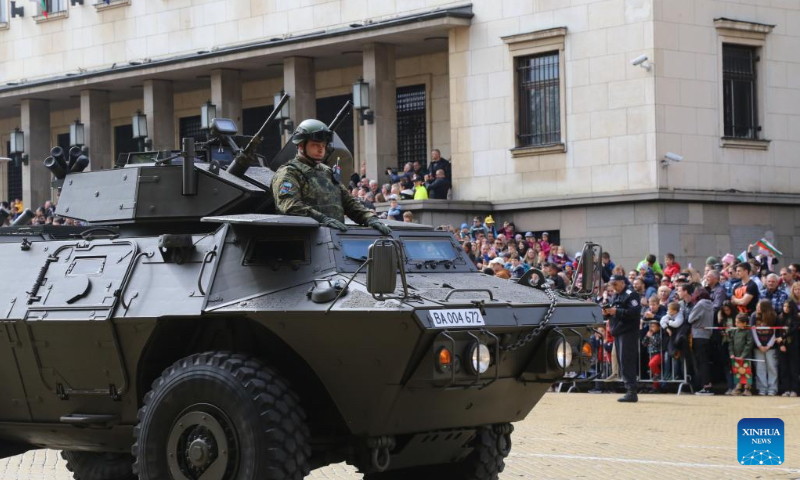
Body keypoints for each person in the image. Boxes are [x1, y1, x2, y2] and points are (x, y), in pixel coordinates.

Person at [272, 119, 392, 235]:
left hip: (334, 239)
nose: (321, 149)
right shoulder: (289, 172)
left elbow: (348, 201)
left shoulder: (327, 171)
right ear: (301, 146)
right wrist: (322, 219)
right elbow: (289, 205)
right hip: (305, 240)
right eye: (315, 145)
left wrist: (369, 218)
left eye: (323, 146)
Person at [603, 274, 642, 403]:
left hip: (628, 332)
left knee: (627, 360)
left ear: (622, 282)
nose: (613, 288)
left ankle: (631, 390)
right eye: (612, 285)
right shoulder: (616, 295)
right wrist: (608, 313)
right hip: (618, 332)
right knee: (621, 361)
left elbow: (635, 313)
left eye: (615, 285)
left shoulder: (631, 294)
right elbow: (615, 312)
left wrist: (616, 312)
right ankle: (628, 388)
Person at [684, 287, 714, 395]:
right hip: (707, 335)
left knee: (701, 363)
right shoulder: (710, 304)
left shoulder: (700, 304)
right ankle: (707, 385)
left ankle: (706, 387)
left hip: (698, 335)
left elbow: (690, 319)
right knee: (705, 362)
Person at [751, 300, 779, 396]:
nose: (757, 308)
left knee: (772, 366)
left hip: (771, 346)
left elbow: (776, 332)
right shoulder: (754, 316)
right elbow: (753, 331)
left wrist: (769, 345)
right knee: (760, 367)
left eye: (760, 306)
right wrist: (759, 345)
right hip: (758, 346)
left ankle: (773, 388)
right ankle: (762, 388)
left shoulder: (773, 316)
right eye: (757, 306)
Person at [778, 300, 800, 397]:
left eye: (788, 307)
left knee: (793, 368)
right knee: (784, 368)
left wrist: (783, 337)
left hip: (794, 346)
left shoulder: (796, 318)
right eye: (784, 306)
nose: (786, 308)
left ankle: (794, 389)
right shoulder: (780, 317)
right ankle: (786, 389)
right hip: (783, 346)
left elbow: (793, 330)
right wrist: (781, 344)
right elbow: (778, 332)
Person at [730, 313, 755, 396]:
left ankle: (747, 388)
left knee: (747, 372)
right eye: (735, 322)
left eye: (738, 322)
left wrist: (743, 355)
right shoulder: (734, 331)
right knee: (738, 371)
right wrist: (732, 353)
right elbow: (731, 343)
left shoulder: (748, 332)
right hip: (736, 356)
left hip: (745, 356)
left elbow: (749, 344)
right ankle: (738, 387)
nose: (736, 324)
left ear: (744, 323)